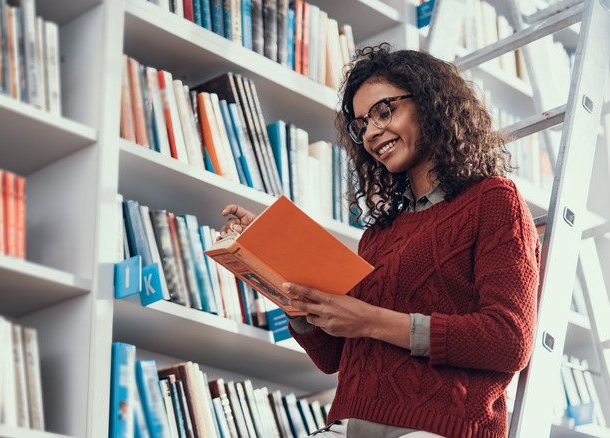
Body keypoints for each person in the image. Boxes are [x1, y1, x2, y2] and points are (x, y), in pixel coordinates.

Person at [218, 43, 540, 438]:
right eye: (361, 124)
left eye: (384, 111)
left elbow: (509, 340)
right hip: (350, 425)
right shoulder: (376, 236)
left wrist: (371, 320)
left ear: (430, 104)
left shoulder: (492, 200)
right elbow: (333, 356)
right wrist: (289, 290)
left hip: (443, 426)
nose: (371, 132)